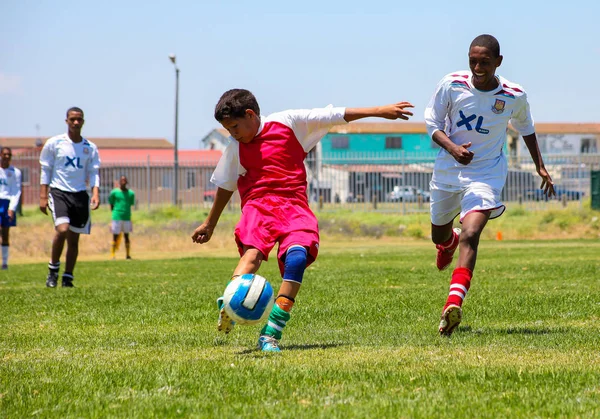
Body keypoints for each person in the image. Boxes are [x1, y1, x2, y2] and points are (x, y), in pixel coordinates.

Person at [192, 89, 414, 352]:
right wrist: (210, 223)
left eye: (235, 127)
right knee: (252, 255)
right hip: (258, 207)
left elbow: (333, 115)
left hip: (294, 206)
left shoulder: (288, 123)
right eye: (228, 129)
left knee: (297, 258)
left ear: (251, 115)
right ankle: (230, 304)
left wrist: (379, 111)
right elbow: (226, 186)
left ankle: (271, 332)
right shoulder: (236, 148)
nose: (232, 134)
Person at [424, 34, 556, 336]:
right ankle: (447, 242)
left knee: (472, 233)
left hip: (486, 174)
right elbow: (432, 124)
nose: (478, 66)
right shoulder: (452, 84)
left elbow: (527, 129)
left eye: (485, 61)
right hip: (447, 172)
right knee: (439, 233)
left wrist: (540, 165)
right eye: (473, 60)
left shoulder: (513, 94)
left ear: (498, 61)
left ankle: (452, 304)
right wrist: (453, 148)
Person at [39, 107, 101, 287]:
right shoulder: (55, 143)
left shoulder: (90, 148)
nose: (75, 122)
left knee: (74, 238)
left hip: (80, 195)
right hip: (59, 193)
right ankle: (53, 270)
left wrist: (95, 193)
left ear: (83, 121)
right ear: (66, 121)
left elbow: (94, 172)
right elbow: (46, 169)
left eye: (79, 119)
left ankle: (68, 277)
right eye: (72, 119)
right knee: (62, 229)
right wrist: (43, 196)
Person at [0, 147, 22, 270]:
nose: (7, 157)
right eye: (5, 154)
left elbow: (16, 191)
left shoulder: (15, 172)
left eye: (9, 154)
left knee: (5, 233)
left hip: (7, 203)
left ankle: (4, 262)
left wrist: (12, 208)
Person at [109, 175, 135, 260]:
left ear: (126, 182)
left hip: (126, 216)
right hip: (117, 216)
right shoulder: (114, 192)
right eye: (122, 180)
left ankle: (128, 255)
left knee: (126, 236)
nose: (123, 182)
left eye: (125, 180)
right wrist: (115, 212)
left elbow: (130, 204)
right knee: (115, 236)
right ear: (119, 182)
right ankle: (112, 255)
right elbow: (111, 204)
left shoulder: (131, 193)